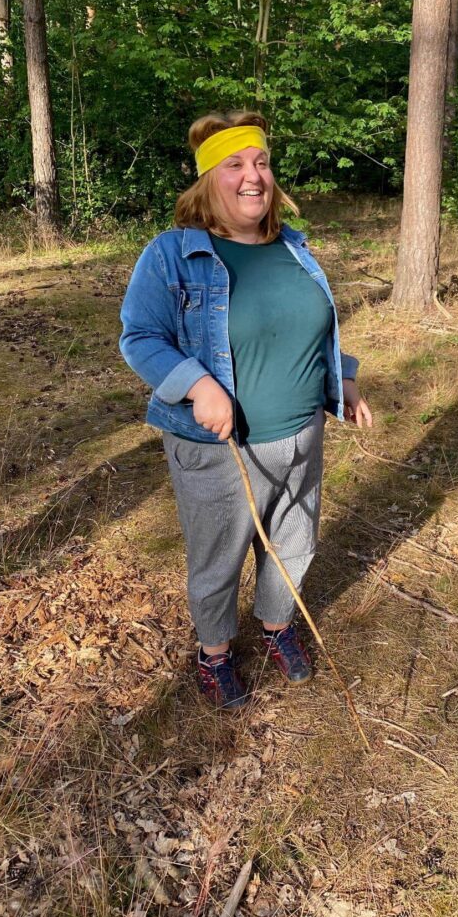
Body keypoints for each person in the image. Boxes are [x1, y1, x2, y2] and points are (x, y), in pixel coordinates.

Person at [120, 111, 372, 710]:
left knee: (294, 543)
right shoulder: (173, 254)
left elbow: (310, 330)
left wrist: (346, 380)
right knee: (218, 559)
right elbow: (141, 337)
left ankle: (278, 623)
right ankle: (214, 656)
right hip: (221, 451)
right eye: (234, 164)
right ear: (208, 181)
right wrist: (198, 386)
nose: (252, 176)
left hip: (302, 434)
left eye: (260, 162)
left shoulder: (295, 248)